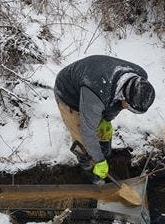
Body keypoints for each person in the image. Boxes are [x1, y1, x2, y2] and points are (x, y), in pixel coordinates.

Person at [54, 55, 155, 184]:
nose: (127, 109)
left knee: (101, 131)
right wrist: (99, 161)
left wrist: (107, 119)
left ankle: (101, 153)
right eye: (129, 107)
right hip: (69, 93)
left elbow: (117, 104)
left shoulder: (140, 77)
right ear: (124, 97)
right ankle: (88, 169)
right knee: (82, 139)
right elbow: (87, 132)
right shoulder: (96, 96)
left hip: (97, 85)